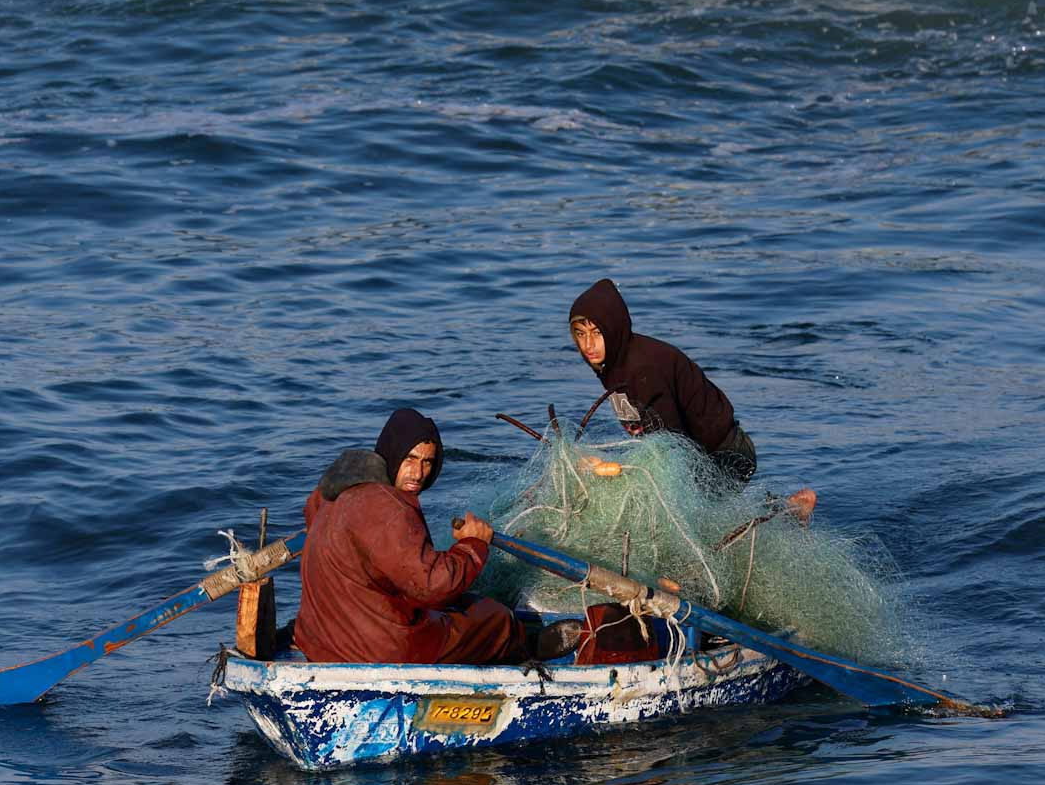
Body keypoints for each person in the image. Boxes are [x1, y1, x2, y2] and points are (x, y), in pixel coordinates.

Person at [293, 407, 583, 664]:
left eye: (428, 462)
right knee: (496, 618)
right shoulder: (385, 506)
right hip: (382, 649)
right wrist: (472, 544)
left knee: (460, 603)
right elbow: (433, 584)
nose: (418, 473)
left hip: (320, 643)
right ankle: (528, 650)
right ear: (391, 453)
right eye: (410, 459)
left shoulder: (328, 498)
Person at [568, 278, 816, 518]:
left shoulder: (643, 370)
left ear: (613, 329)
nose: (588, 344)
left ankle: (787, 512)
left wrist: (620, 470)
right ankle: (785, 509)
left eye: (597, 333)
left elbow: (672, 447)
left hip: (723, 454)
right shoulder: (612, 361)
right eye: (580, 334)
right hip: (696, 452)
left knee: (701, 519)